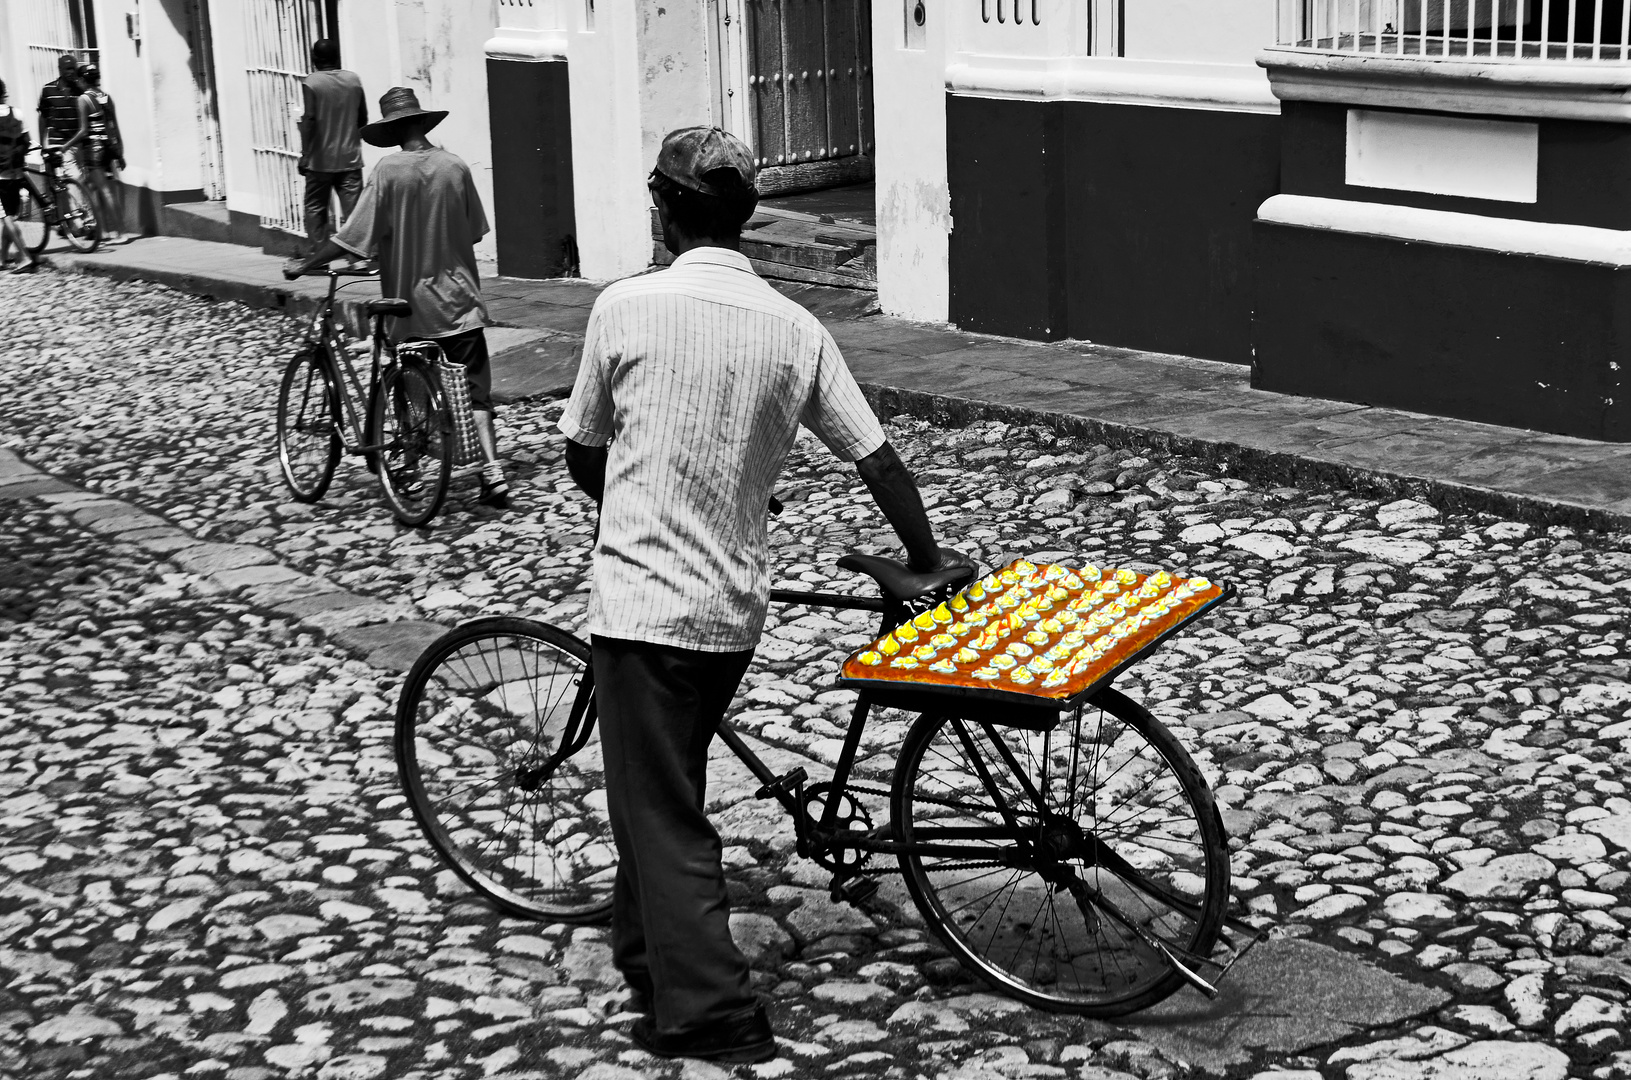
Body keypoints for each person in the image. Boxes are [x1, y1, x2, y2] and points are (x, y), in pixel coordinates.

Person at [559, 126, 972, 1064]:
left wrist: (637, 487)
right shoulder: (793, 326)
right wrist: (925, 554)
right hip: (730, 615)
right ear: (744, 217)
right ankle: (644, 949)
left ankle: (711, 1011)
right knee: (659, 781)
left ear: (662, 208)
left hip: (644, 605)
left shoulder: (625, 308)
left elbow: (584, 450)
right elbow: (874, 455)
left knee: (662, 810)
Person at [285, 87, 509, 508]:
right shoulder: (455, 167)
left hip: (411, 306)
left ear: (390, 131)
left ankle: (407, 464)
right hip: (461, 302)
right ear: (423, 123)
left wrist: (305, 263)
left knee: (406, 387)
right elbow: (475, 230)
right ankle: (493, 473)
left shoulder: (388, 173)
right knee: (477, 394)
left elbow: (353, 238)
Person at [298, 38, 366, 261]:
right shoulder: (353, 80)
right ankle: (357, 258)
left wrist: (305, 153)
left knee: (316, 207)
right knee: (354, 211)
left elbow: (310, 117)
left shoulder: (312, 82)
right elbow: (362, 118)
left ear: (314, 58)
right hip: (350, 157)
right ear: (337, 57)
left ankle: (318, 257)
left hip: (319, 161)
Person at [61, 64, 125, 242]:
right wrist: (119, 152)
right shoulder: (105, 97)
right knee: (101, 190)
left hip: (94, 149)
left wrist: (65, 146)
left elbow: (83, 131)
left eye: (79, 80)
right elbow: (114, 126)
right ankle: (106, 232)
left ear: (82, 80)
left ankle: (117, 232)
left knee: (99, 191)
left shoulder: (83, 99)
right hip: (109, 148)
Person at [0, 78, 40, 273]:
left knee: (7, 217)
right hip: (17, 172)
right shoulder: (16, 112)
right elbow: (27, 141)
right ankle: (2, 258)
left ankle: (24, 256)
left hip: (1, 176)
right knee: (9, 214)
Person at [36, 54, 82, 152]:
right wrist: (42, 146)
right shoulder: (48, 90)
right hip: (56, 145)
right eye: (68, 69)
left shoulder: (80, 91)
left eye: (74, 69)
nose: (72, 72)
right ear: (60, 69)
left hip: (77, 145)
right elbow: (43, 118)